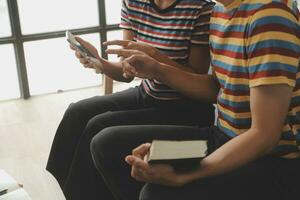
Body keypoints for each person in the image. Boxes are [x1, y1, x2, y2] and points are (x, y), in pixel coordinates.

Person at [90, 0, 300, 199]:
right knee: (107, 144)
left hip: (274, 162)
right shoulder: (221, 10)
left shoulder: (270, 15)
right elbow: (215, 89)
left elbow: (264, 135)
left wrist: (186, 175)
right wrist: (158, 69)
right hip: (222, 137)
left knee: (156, 195)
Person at [46, 0, 215, 199]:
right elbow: (126, 72)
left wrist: (155, 58)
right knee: (76, 112)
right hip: (147, 93)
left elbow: (197, 77)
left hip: (184, 106)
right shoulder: (132, 3)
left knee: (97, 127)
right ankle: (67, 192)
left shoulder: (200, 8)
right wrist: (100, 62)